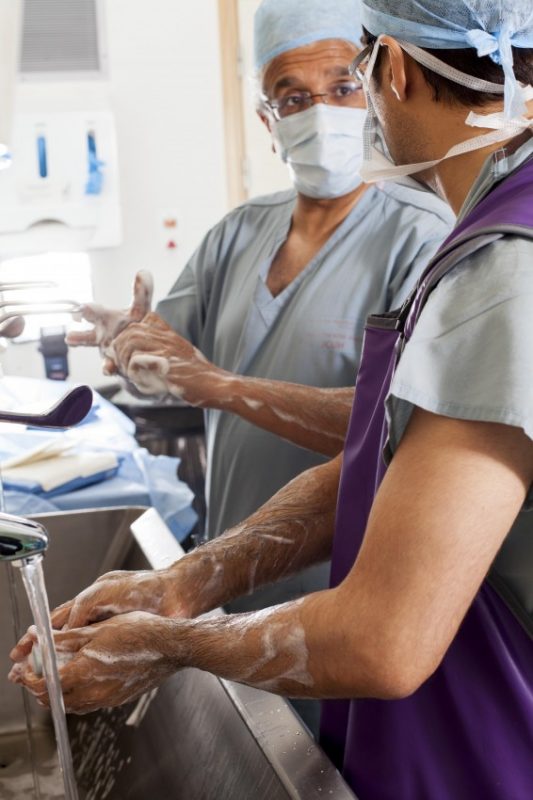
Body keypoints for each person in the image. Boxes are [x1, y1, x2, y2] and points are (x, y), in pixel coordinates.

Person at [12, 3, 533, 797]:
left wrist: (172, 643)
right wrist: (188, 582)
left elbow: (382, 639)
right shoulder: (484, 233)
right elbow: (391, 456)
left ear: (389, 68)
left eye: (349, 73)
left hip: (489, 737)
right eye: (290, 96)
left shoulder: (499, 270)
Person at [66, 0, 452, 620]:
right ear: (268, 123)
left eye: (343, 87)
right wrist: (130, 343)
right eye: (293, 98)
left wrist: (219, 386)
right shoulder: (237, 234)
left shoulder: (424, 238)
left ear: (378, 93)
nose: (320, 111)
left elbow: (401, 430)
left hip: (341, 600)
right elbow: (170, 358)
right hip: (226, 587)